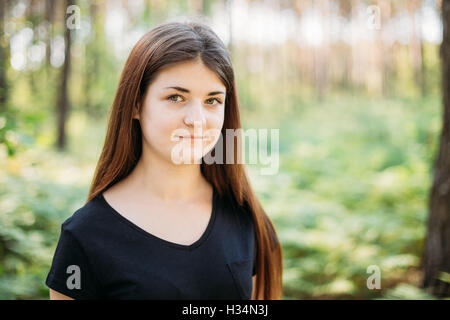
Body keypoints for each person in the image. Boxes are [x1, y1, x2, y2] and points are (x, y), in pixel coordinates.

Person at [45, 20, 282, 300]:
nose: (197, 120)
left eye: (212, 101)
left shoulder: (245, 215)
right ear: (135, 104)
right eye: (176, 97)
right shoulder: (86, 236)